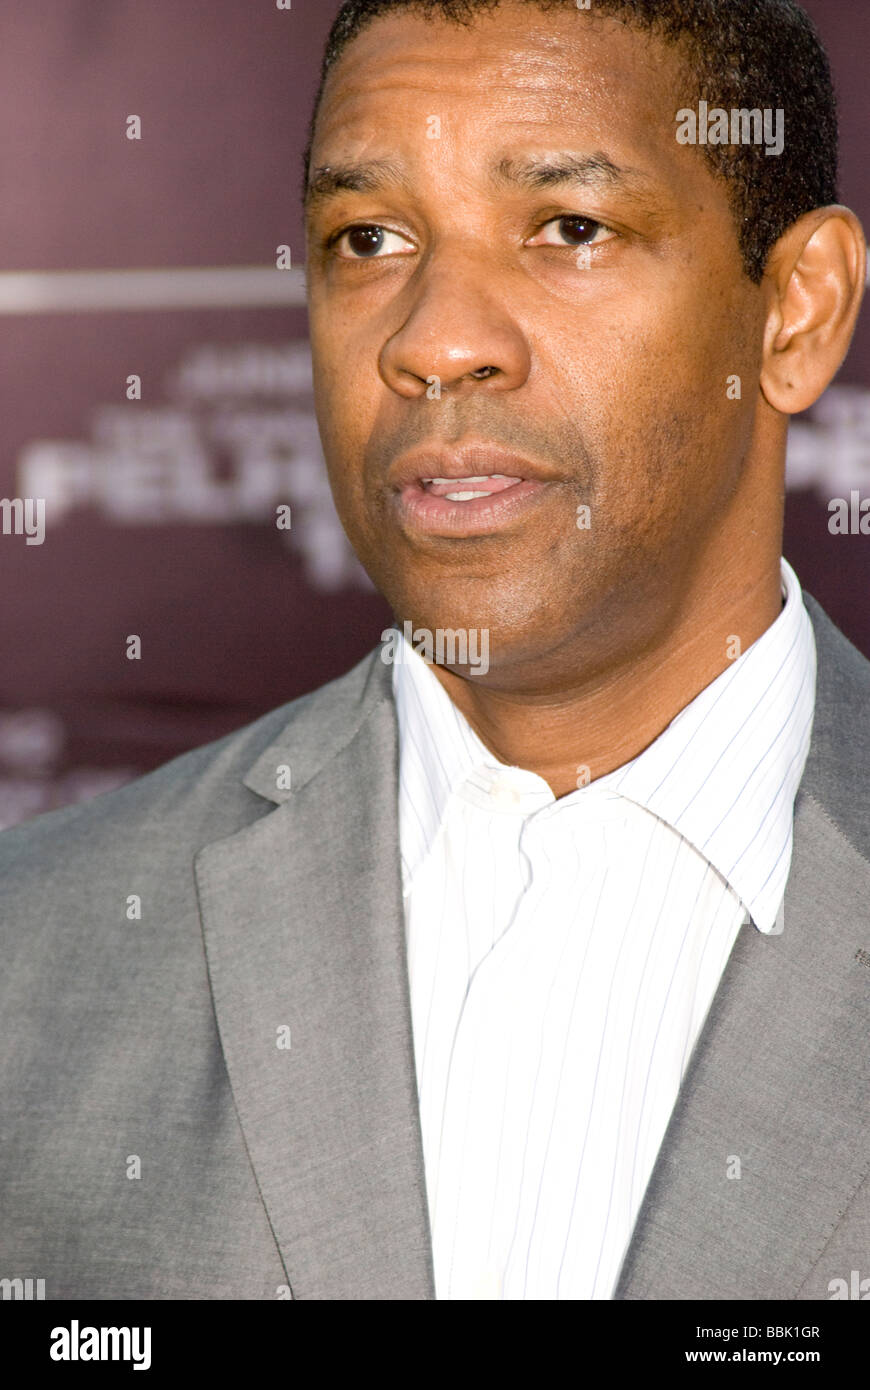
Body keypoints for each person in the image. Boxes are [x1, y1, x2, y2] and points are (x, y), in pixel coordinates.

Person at [1, 0, 867, 1301]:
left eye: (569, 229)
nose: (431, 338)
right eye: (369, 238)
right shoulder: (36, 951)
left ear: (793, 314)